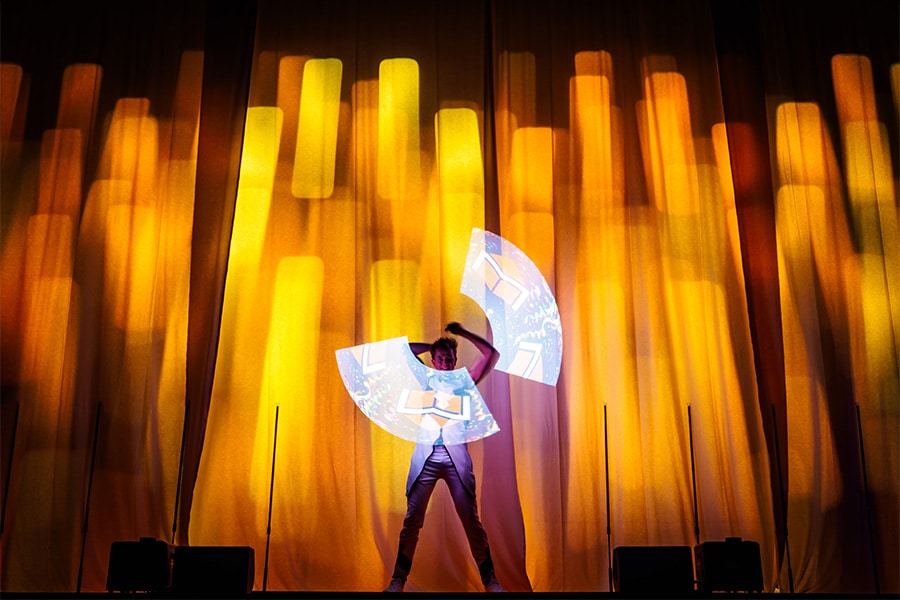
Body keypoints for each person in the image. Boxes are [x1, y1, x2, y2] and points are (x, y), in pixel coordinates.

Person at [383, 321, 505, 593]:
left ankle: (491, 581)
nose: (446, 364)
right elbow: (403, 352)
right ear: (435, 361)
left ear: (455, 360)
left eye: (450, 360)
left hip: (455, 459)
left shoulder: (465, 380)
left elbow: (491, 355)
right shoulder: (427, 377)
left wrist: (462, 333)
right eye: (441, 360)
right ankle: (398, 580)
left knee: (471, 521)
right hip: (426, 457)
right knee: (412, 521)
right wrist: (433, 348)